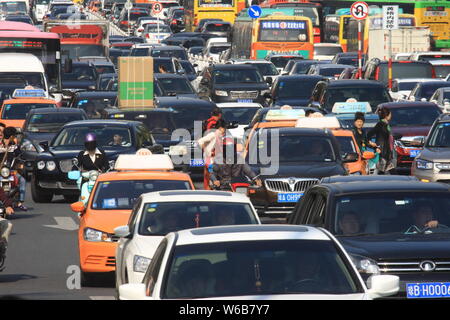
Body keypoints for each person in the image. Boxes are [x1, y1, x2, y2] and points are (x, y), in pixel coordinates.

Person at [0, 127, 27, 211]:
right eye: (14, 136)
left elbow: (21, 156)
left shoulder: (14, 147)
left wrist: (20, 162)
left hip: (11, 172)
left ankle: (20, 202)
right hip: (1, 171)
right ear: (11, 136)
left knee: (22, 180)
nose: (15, 137)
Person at [197, 119, 227, 189]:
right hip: (209, 159)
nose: (225, 131)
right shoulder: (212, 135)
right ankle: (209, 189)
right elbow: (200, 141)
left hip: (216, 159)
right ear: (220, 128)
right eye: (224, 129)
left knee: (211, 176)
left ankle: (210, 188)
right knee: (210, 174)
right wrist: (207, 151)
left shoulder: (220, 136)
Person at [367, 107, 396, 174]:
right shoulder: (381, 125)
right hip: (382, 151)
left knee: (385, 169)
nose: (391, 116)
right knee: (383, 170)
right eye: (390, 114)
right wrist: (372, 144)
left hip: (386, 150)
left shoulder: (385, 124)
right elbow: (369, 134)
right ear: (386, 115)